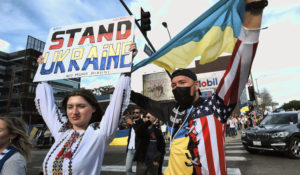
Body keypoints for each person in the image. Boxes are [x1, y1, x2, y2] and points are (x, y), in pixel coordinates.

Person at [130, 1, 267, 174]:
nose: (176, 87)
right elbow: (140, 99)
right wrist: (127, 65)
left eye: (182, 83)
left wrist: (253, 12)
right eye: (173, 85)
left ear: (196, 85)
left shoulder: (215, 106)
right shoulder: (170, 109)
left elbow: (238, 70)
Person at [35, 46, 133, 174]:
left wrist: (127, 63)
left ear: (93, 108)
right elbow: (46, 105)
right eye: (70, 107)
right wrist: (42, 71)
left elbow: (117, 101)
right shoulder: (61, 132)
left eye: (81, 106)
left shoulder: (99, 135)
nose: (74, 112)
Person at [125, 108, 143, 175]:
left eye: (137, 112)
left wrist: (132, 123)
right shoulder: (131, 122)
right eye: (134, 112)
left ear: (140, 113)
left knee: (141, 170)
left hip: (138, 148)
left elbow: (139, 132)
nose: (135, 113)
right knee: (127, 168)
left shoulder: (142, 122)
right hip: (130, 148)